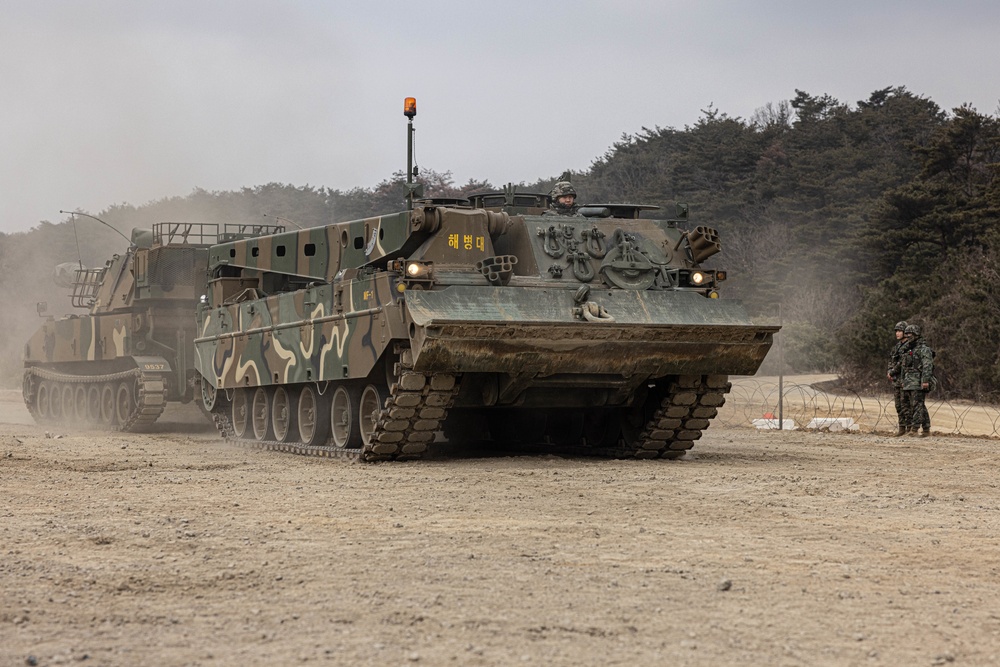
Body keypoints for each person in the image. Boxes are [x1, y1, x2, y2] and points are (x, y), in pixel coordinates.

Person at [900, 324, 934, 436]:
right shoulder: (909, 349)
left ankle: (915, 429)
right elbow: (904, 367)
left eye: (910, 334)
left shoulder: (924, 349)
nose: (908, 336)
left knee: (917, 405)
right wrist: (902, 380)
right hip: (909, 381)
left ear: (916, 334)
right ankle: (926, 428)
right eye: (907, 334)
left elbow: (927, 365)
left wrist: (925, 380)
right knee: (918, 405)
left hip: (918, 381)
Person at [886, 320, 910, 436]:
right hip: (896, 380)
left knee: (905, 405)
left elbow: (902, 363)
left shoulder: (909, 346)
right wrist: (889, 371)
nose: (897, 333)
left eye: (900, 331)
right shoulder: (896, 347)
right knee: (898, 405)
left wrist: (893, 371)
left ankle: (909, 428)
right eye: (896, 331)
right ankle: (902, 428)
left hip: (905, 380)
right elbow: (891, 360)